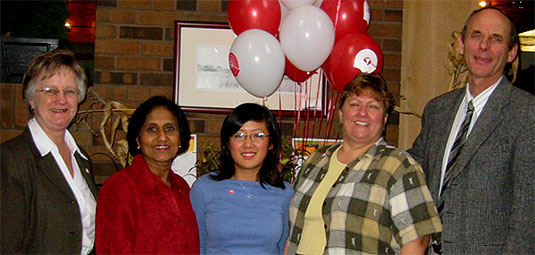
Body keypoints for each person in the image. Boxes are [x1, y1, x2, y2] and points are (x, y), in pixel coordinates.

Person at [408, 6, 535, 254]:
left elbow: (527, 213)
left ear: (511, 52)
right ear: (461, 45)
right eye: (476, 36)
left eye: (495, 39)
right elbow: (412, 170)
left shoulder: (526, 113)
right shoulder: (438, 110)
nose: (484, 46)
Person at [287, 73, 442, 255]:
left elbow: (417, 240)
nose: (362, 113)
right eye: (354, 104)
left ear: (384, 119)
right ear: (341, 113)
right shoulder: (316, 160)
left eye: (373, 107)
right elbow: (294, 233)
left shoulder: (399, 166)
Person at [0, 50, 97, 254]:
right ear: (32, 100)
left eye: (69, 91)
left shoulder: (81, 158)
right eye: (50, 90)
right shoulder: (12, 159)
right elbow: (6, 244)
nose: (61, 99)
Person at [95, 96, 199, 254]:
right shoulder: (119, 188)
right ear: (138, 139)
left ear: (180, 137)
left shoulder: (182, 187)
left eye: (170, 128)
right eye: (152, 129)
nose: (162, 137)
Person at [190, 103, 294, 254]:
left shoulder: (285, 193)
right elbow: (197, 247)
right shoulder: (204, 188)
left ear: (271, 143)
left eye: (258, 135)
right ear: (228, 142)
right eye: (239, 135)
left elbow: (284, 248)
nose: (248, 144)